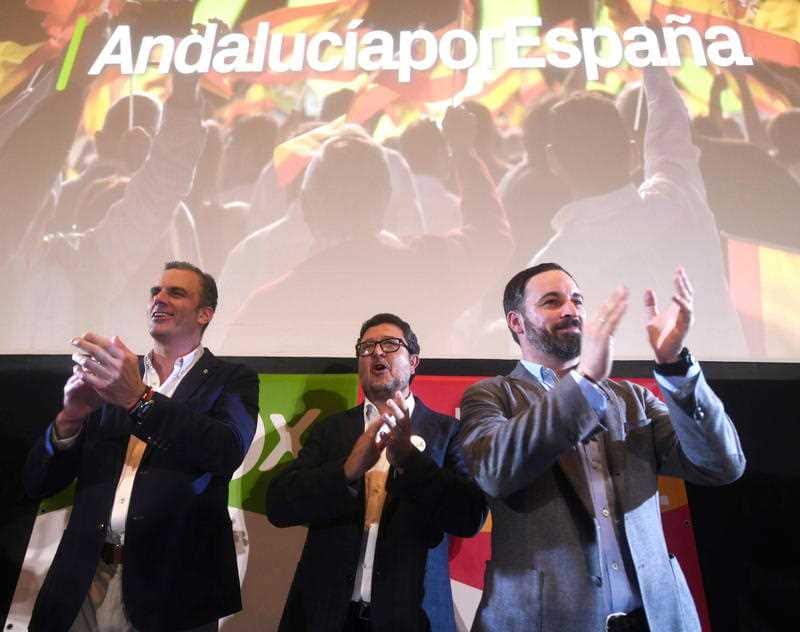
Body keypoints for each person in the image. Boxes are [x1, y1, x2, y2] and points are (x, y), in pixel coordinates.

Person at [457, 263, 745, 632]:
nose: (570, 310)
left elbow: (721, 464)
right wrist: (584, 382)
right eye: (551, 301)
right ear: (516, 322)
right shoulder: (491, 396)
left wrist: (675, 367)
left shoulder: (632, 398)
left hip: (656, 620)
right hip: (547, 622)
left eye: (577, 300)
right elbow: (495, 471)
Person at [23, 261, 259, 632]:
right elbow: (38, 483)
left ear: (205, 313)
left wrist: (139, 399)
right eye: (156, 291)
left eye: (176, 292)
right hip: (84, 580)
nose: (159, 299)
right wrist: (70, 418)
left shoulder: (232, 381)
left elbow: (224, 450)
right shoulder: (112, 374)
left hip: (173, 589)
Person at [266, 313, 487, 631]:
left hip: (413, 617)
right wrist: (346, 470)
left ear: (413, 362)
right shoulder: (332, 430)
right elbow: (279, 505)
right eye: (366, 347)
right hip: (327, 616)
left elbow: (469, 516)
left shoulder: (448, 432)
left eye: (390, 344)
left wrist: (409, 460)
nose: (377, 352)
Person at [531, 64, 747, 360]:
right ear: (632, 151)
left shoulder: (548, 271)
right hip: (733, 398)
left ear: (553, 160)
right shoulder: (678, 198)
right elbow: (671, 135)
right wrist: (653, 65)